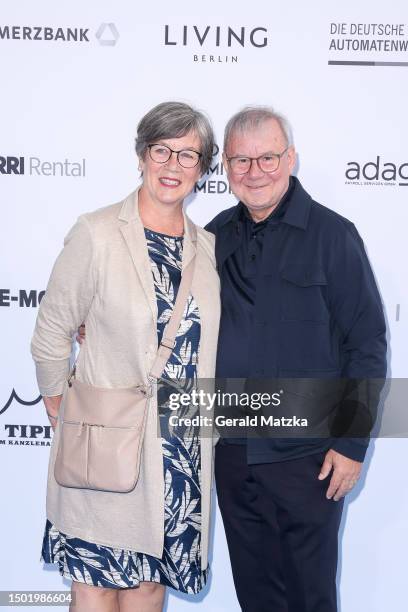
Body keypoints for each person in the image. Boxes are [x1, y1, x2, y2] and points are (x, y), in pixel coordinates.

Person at [31, 101, 220, 612]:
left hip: (178, 450)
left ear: (203, 169)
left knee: (149, 588)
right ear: (141, 155)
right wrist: (59, 409)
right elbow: (51, 332)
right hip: (106, 442)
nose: (172, 166)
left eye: (188, 155)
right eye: (162, 150)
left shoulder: (209, 249)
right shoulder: (97, 233)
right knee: (95, 584)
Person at [205, 106, 387, 612]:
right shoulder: (213, 236)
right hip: (236, 456)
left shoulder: (333, 236)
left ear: (291, 159)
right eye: (241, 160)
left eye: (268, 157)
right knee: (257, 598)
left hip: (309, 461)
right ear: (226, 168)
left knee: (310, 600)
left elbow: (367, 343)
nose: (255, 171)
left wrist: (351, 444)